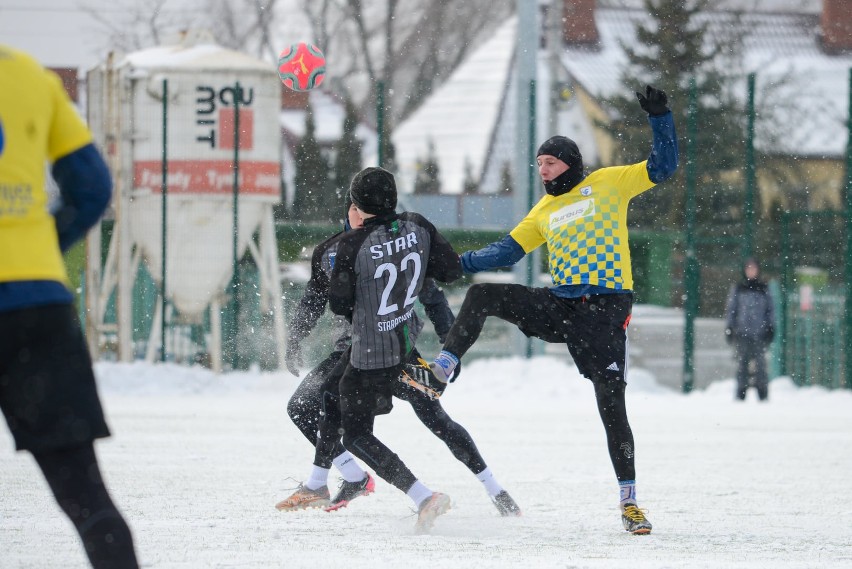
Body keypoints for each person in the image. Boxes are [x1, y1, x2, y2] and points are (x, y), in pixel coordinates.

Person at [426, 85, 679, 535]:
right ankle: (443, 368)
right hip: (561, 304)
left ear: (571, 163)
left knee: (612, 405)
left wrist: (660, 117)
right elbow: (507, 252)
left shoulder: (608, 182)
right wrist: (458, 263)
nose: (543, 170)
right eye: (539, 164)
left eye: (550, 162)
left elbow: (663, 167)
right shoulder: (545, 208)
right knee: (484, 293)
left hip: (604, 310)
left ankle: (629, 502)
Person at [277, 192, 520, 519]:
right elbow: (313, 300)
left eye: (365, 209)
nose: (361, 216)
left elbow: (433, 298)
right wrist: (296, 335)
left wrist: (451, 347)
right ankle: (353, 477)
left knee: (435, 417)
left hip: (396, 351)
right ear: (347, 213)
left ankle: (495, 489)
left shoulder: (396, 245)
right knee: (305, 407)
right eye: (354, 209)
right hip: (350, 352)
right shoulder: (333, 252)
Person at [0, 45, 139, 568]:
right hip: (38, 304)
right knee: (84, 494)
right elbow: (93, 186)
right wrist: (36, 246)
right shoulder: (28, 75)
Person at [321, 167, 464, 532]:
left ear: (358, 204)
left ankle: (423, 496)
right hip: (403, 336)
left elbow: (338, 304)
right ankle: (315, 480)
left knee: (353, 434)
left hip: (369, 350)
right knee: (328, 393)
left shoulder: (353, 242)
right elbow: (450, 270)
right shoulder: (417, 223)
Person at [724, 257, 775, 401]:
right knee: (742, 364)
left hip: (759, 332)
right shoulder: (739, 288)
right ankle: (741, 392)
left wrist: (771, 327)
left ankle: (762, 392)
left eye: (754, 268)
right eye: (748, 268)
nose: (751, 271)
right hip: (742, 332)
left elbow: (770, 310)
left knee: (760, 365)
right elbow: (732, 309)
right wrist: (730, 327)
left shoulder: (764, 288)